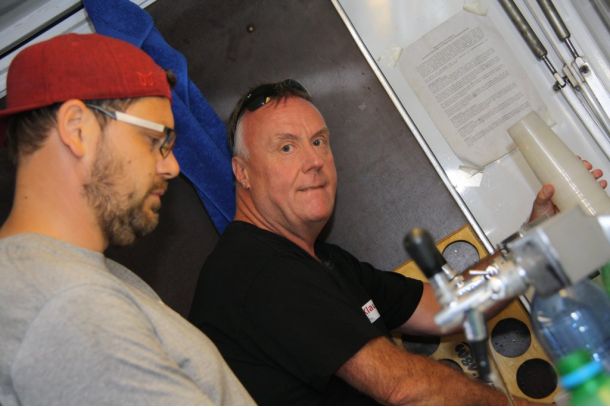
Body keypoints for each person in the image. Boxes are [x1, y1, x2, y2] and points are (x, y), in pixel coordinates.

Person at [189, 79, 606, 405]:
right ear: (242, 172)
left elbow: (447, 309)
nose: (314, 160)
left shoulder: (325, 262)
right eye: (286, 147)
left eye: (318, 142)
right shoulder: (256, 270)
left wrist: (537, 235)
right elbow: (405, 388)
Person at [0, 33, 254, 405]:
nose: (172, 166)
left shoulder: (76, 277)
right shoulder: (69, 306)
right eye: (155, 140)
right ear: (77, 129)